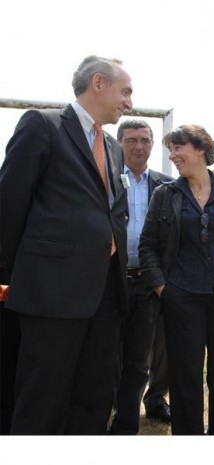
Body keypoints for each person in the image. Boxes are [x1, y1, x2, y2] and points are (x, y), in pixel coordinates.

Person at [0, 55, 132, 434]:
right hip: (51, 293)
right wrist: (13, 274)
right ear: (98, 83)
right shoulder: (42, 125)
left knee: (92, 398)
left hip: (105, 294)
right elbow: (10, 201)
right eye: (125, 91)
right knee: (42, 400)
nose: (128, 102)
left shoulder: (114, 147)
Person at [139, 124, 214, 435]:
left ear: (200, 150)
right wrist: (163, 288)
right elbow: (148, 245)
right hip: (182, 297)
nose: (172, 155)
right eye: (171, 148)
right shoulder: (164, 195)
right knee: (185, 376)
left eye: (178, 148)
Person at [109, 120, 173, 434]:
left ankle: (125, 425)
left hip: (146, 284)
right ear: (118, 143)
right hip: (109, 282)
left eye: (145, 140)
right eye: (131, 140)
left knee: (138, 360)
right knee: (105, 355)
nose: (139, 146)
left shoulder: (166, 185)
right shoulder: (105, 177)